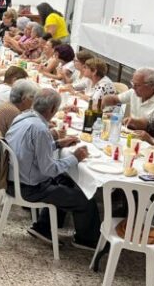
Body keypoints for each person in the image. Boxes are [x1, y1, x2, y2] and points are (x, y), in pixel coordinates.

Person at [5, 88, 99, 249]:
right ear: (53, 110)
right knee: (85, 199)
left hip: (13, 178)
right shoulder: (40, 129)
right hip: (28, 188)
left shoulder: (22, 117)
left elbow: (32, 150)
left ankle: (44, 227)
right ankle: (86, 240)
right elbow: (49, 169)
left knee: (66, 180)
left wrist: (56, 144)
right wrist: (74, 158)